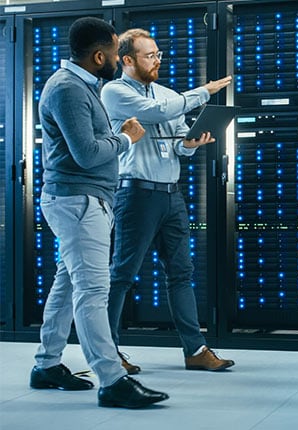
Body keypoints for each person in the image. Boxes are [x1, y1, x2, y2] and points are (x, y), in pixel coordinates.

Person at [30, 17, 169, 409]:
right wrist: (126, 138)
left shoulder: (81, 86)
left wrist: (114, 135)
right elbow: (88, 155)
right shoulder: (69, 89)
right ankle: (113, 380)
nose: (117, 60)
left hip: (83, 201)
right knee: (93, 290)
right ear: (97, 55)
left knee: (68, 286)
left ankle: (46, 364)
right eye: (112, 53)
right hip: (78, 201)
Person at [101, 28, 235, 374]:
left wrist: (189, 145)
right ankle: (108, 352)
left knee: (181, 273)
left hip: (171, 195)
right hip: (136, 194)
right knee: (123, 275)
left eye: (159, 54)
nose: (157, 60)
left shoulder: (166, 93)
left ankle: (196, 350)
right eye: (150, 55)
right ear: (127, 60)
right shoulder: (115, 91)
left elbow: (174, 137)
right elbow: (159, 113)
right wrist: (203, 92)